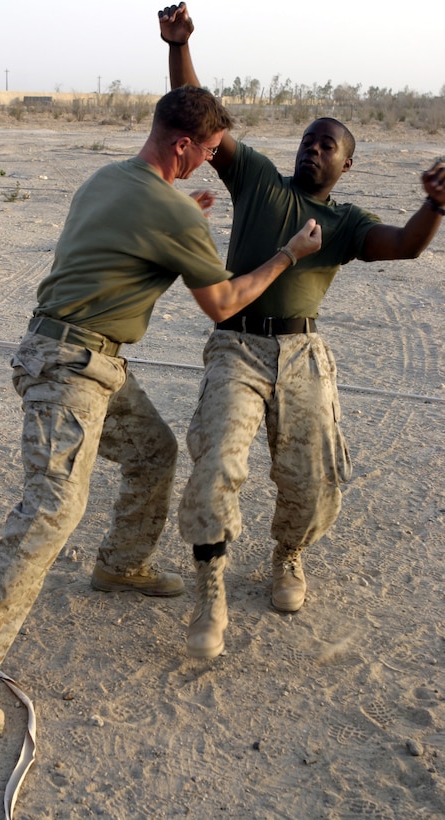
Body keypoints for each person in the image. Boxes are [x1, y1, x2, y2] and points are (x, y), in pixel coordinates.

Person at [0, 85, 322, 733]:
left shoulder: (107, 179)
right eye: (207, 151)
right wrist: (287, 254)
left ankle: (121, 563)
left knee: (152, 452)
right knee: (53, 508)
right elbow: (223, 304)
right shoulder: (171, 211)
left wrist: (176, 214)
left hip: (79, 356)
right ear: (183, 143)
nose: (207, 163)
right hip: (70, 367)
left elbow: (116, 250)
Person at [158, 3, 445, 659]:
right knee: (216, 468)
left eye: (327, 145)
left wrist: (432, 206)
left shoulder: (343, 221)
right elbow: (196, 112)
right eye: (307, 141)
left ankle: (287, 555)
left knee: (311, 477)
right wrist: (179, 45)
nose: (312, 149)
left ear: (346, 164)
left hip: (302, 353)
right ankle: (210, 589)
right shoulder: (256, 179)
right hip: (235, 346)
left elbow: (402, 246)